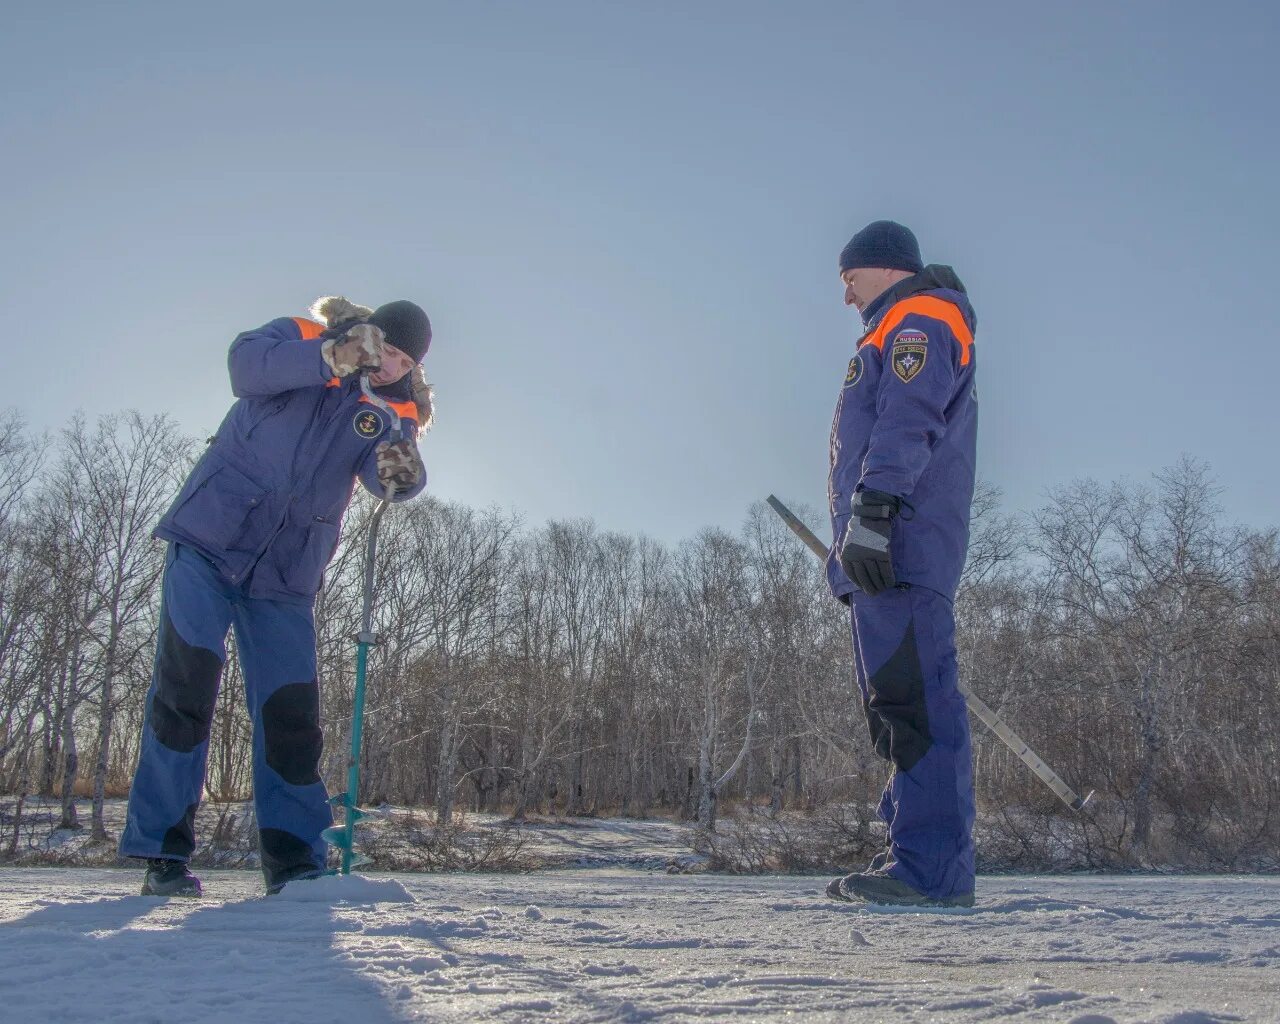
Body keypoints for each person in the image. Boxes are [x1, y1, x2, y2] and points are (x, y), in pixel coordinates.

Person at [120, 296, 434, 896]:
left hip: (286, 579)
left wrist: (401, 474)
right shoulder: (303, 335)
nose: (391, 366)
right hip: (211, 540)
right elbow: (246, 369)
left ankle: (294, 863)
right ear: (367, 334)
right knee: (185, 689)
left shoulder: (394, 408)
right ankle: (162, 854)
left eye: (403, 360)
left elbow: (379, 474)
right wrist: (329, 357)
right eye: (386, 350)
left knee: (291, 716)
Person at [824, 220, 979, 908]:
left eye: (847, 276)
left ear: (879, 266)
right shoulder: (888, 326)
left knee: (917, 705)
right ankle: (912, 853)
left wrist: (876, 513)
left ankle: (933, 870)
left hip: (900, 548)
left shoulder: (918, 319)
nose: (845, 292)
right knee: (897, 708)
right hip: (880, 558)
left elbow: (908, 416)